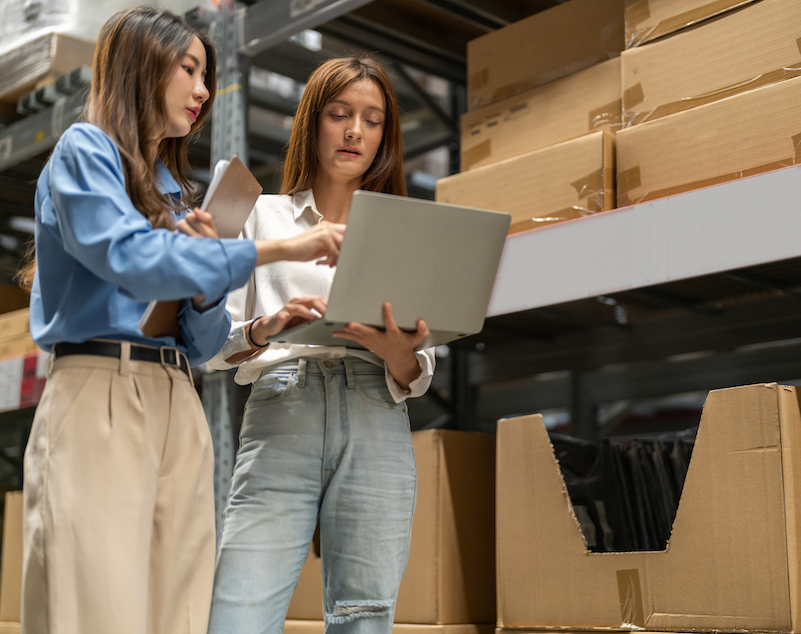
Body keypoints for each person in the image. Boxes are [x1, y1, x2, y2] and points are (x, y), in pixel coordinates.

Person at [18, 7, 344, 634]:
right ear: (141, 66)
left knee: (180, 608)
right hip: (100, 393)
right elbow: (129, 259)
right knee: (97, 605)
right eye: (189, 69)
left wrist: (202, 286)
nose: (202, 90)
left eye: (206, 74)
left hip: (175, 394)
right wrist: (273, 248)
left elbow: (197, 343)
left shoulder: (173, 191)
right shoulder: (83, 151)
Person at [206, 56, 435, 634]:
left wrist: (395, 350)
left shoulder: (405, 231)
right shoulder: (262, 217)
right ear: (312, 122)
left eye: (372, 119)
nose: (356, 130)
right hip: (284, 404)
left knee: (365, 613)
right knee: (238, 609)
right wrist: (267, 327)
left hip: (375, 409)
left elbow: (420, 370)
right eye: (339, 114)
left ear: (386, 136)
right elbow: (209, 346)